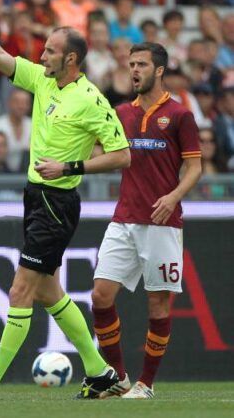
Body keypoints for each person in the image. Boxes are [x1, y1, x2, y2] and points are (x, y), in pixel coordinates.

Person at [0, 0, 131, 401]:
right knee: (47, 292)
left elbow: (123, 155)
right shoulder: (43, 81)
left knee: (20, 290)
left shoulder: (91, 99)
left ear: (71, 59)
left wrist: (69, 167)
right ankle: (100, 372)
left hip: (58, 203)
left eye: (51, 52)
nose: (42, 56)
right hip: (35, 198)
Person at [90, 42, 202, 399]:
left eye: (141, 64)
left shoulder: (180, 115)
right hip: (123, 218)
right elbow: (100, 150)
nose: (133, 70)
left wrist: (173, 197)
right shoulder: (121, 112)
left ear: (159, 70)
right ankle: (120, 377)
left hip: (161, 222)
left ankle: (146, 384)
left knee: (158, 304)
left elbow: (195, 166)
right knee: (100, 296)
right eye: (131, 64)